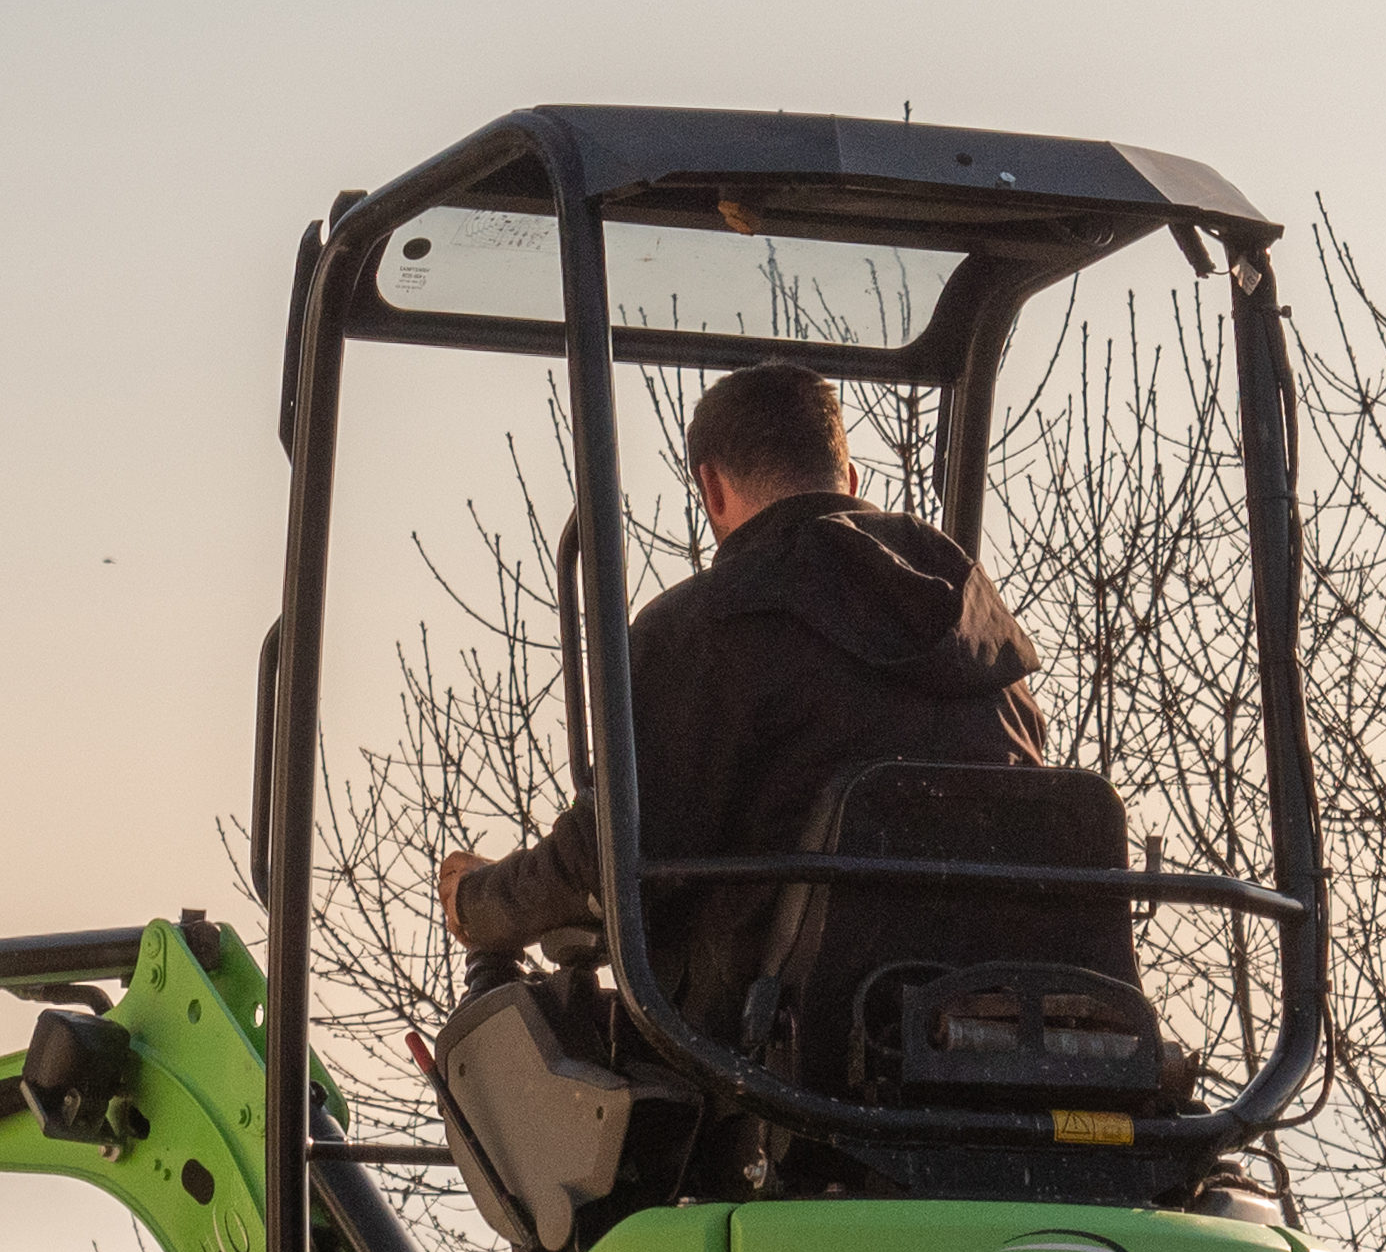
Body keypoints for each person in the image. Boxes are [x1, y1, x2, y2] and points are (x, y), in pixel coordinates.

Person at [437, 361, 1049, 1042]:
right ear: (849, 480)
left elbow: (602, 863)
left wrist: (479, 904)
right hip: (1008, 1033)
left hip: (777, 1051)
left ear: (711, 487)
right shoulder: (988, 644)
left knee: (504, 1050)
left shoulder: (706, 630)